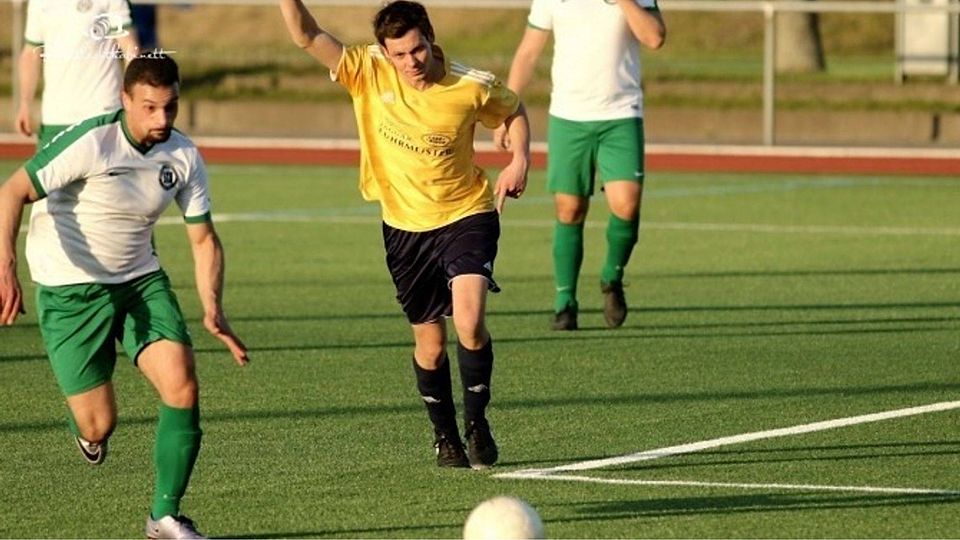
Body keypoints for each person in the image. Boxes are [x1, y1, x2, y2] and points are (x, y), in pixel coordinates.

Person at [0, 54, 249, 540]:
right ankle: (88, 432)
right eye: (150, 107)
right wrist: (5, 268)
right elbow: (11, 191)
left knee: (182, 384)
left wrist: (213, 308)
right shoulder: (92, 141)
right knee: (98, 426)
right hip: (70, 290)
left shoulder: (182, 156)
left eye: (171, 107)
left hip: (139, 281)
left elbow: (203, 239)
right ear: (125, 101)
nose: (161, 120)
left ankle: (165, 516)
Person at [279, 0, 530, 468]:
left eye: (417, 50)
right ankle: (445, 435)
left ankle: (477, 423)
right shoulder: (367, 71)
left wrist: (520, 158)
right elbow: (306, 35)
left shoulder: (470, 84)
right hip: (404, 228)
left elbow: (513, 111)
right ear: (385, 53)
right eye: (399, 55)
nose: (411, 62)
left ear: (430, 39)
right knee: (430, 346)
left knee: (471, 321)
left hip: (466, 212)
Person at [495, 0, 666, 331]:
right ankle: (565, 301)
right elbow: (528, 53)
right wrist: (506, 111)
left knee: (626, 206)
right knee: (569, 209)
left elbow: (655, 37)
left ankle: (611, 278)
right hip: (568, 117)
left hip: (621, 115)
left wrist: (625, 2)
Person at [15, 0, 140, 147]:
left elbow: (129, 47)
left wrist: (133, 97)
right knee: (39, 170)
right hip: (55, 118)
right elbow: (31, 53)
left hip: (102, 114)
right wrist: (24, 104)